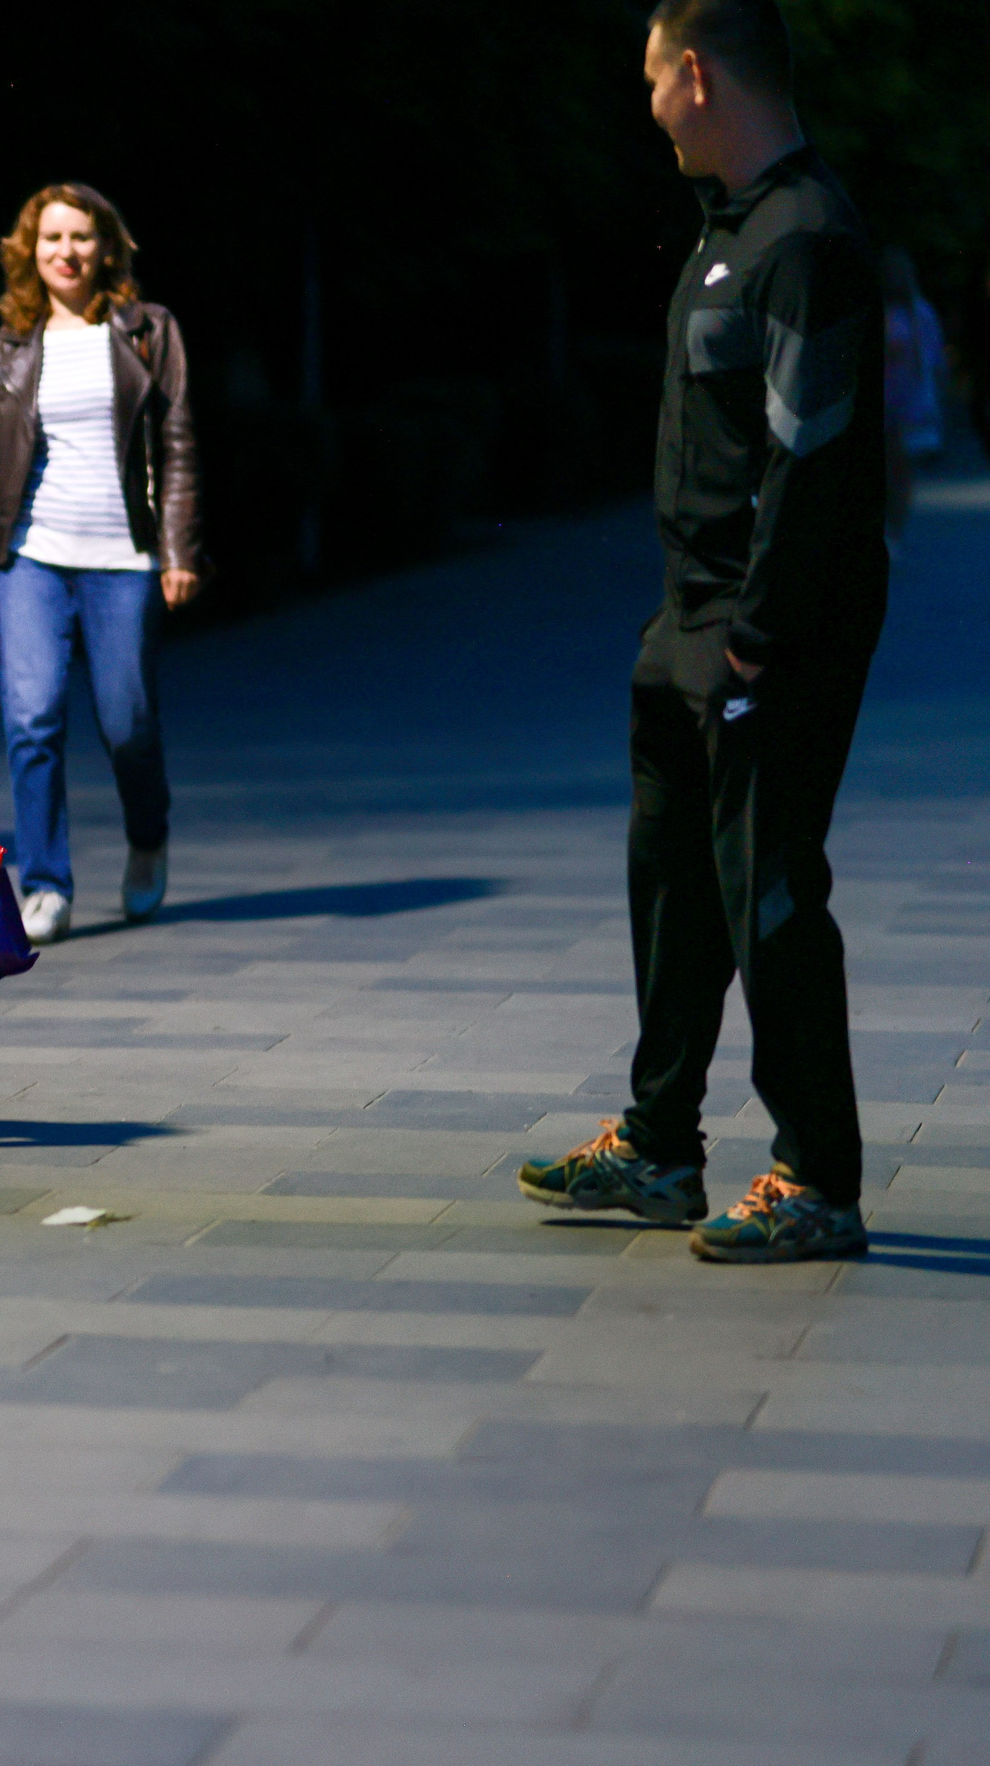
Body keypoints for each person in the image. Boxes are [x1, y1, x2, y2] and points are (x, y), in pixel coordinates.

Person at [518, 0, 886, 1263]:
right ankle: (658, 1146)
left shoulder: (807, 237)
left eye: (649, 80)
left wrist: (757, 634)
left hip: (764, 631)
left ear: (693, 74)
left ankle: (817, 1177)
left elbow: (812, 463)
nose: (648, 106)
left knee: (765, 886)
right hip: (686, 617)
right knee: (672, 878)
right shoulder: (728, 231)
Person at [0, 183, 204, 944]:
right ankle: (45, 882)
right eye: (51, 239)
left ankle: (148, 835)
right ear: (30, 253)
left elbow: (177, 445)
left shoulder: (148, 331)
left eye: (81, 237)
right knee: (31, 719)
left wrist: (177, 551)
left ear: (107, 247)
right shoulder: (12, 345)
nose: (67, 252)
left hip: (123, 556)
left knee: (127, 720)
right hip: (31, 557)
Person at [879, 246, 946, 541]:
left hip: (907, 398)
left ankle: (896, 526)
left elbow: (933, 359)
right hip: (880, 396)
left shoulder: (920, 314)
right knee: (884, 464)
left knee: (900, 464)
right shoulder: (877, 310)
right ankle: (886, 521)